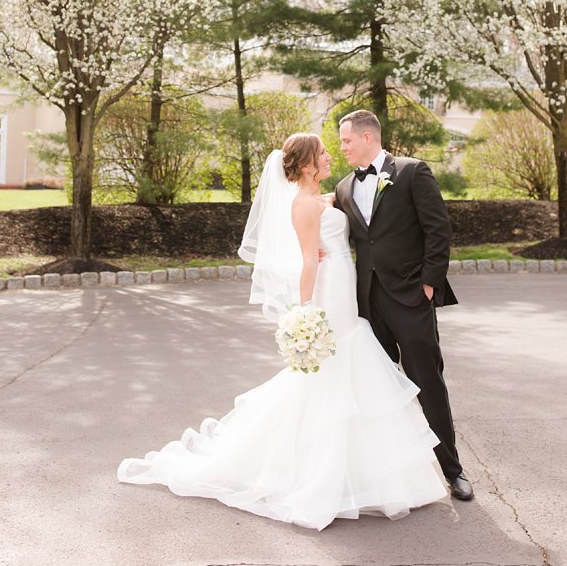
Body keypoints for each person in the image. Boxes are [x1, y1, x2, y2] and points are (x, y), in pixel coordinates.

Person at [118, 133, 447, 530]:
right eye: (324, 152)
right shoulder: (304, 205)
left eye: (335, 147)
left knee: (353, 369)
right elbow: (309, 261)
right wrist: (305, 312)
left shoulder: (326, 198)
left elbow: (344, 218)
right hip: (329, 291)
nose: (331, 156)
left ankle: (366, 475)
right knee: (333, 373)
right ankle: (324, 477)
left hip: (348, 287)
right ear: (308, 164)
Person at [334, 108, 472, 501]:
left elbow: (438, 229)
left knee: (427, 383)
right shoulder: (343, 188)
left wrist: (428, 284)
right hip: (367, 305)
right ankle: (393, 477)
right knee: (378, 391)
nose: (341, 148)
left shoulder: (412, 171)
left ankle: (453, 470)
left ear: (367, 137)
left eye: (346, 141)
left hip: (411, 297)